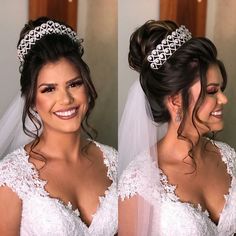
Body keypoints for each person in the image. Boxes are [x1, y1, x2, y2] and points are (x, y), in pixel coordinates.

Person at [0, 17, 117, 236]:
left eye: (74, 84)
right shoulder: (13, 176)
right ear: (32, 99)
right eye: (49, 89)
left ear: (87, 86)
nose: (65, 99)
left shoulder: (114, 161)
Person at [118, 20, 236, 235]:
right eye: (211, 91)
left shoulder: (228, 157)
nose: (223, 99)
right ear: (175, 101)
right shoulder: (139, 181)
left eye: (221, 89)